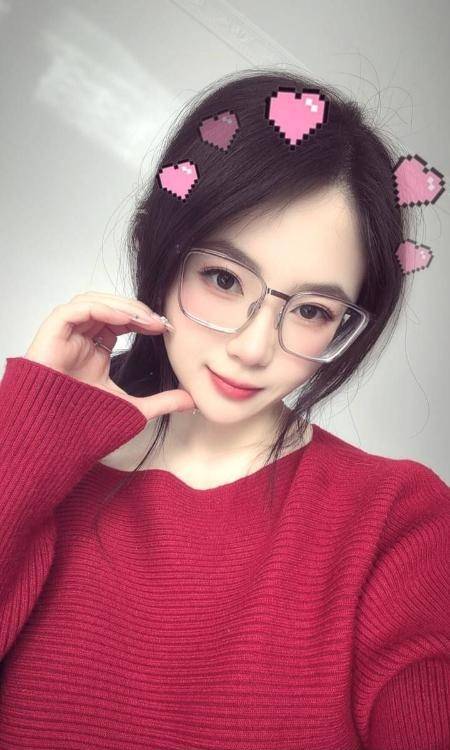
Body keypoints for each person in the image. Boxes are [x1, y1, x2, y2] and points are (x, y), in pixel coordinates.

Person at [0, 68, 448, 750]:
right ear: (158, 252)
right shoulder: (34, 470)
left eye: (312, 310)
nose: (252, 347)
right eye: (222, 278)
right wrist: (29, 437)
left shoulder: (398, 518)